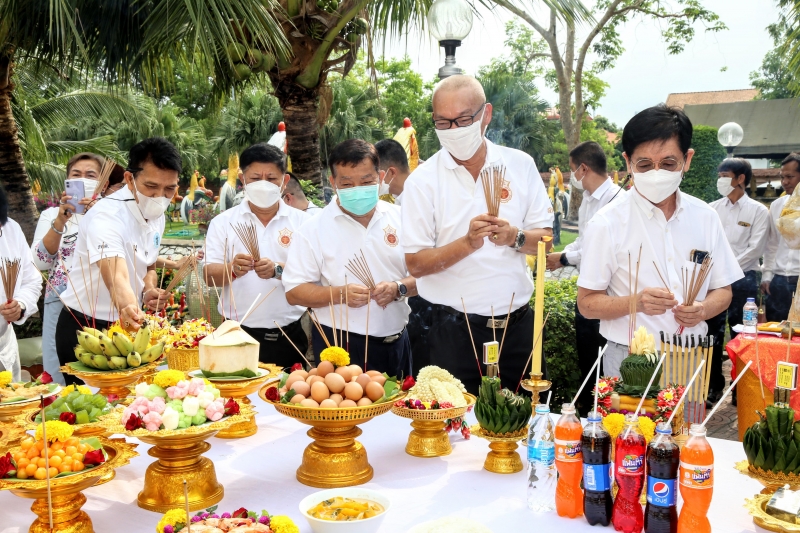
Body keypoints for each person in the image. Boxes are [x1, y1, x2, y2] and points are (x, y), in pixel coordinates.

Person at [401, 75, 554, 394]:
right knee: (451, 427)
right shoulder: (423, 181)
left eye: (464, 119)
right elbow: (415, 264)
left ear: (486, 114)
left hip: (515, 326)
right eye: (443, 122)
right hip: (449, 328)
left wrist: (515, 236)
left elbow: (545, 240)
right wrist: (468, 243)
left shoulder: (519, 165)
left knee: (519, 419)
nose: (454, 130)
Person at [577, 104, 742, 378]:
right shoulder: (607, 222)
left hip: (690, 354)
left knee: (687, 423)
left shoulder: (706, 217)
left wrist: (702, 309)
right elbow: (587, 304)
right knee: (628, 423)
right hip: (628, 358)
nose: (656, 173)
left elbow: (723, 291)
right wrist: (636, 303)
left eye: (668, 163)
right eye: (644, 164)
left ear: (687, 160)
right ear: (628, 162)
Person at [284, 139, 417, 378]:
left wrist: (399, 288)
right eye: (347, 183)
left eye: (366, 181)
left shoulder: (403, 218)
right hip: (341, 345)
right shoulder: (313, 228)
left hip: (398, 340)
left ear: (382, 176)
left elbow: (427, 274)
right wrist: (339, 294)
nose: (357, 189)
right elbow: (294, 291)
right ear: (333, 183)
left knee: (399, 412)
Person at [54, 138, 179, 384]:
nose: (160, 197)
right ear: (130, 179)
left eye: (169, 189)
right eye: (151, 186)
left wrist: (150, 289)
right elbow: (115, 274)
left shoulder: (157, 215)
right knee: (91, 412)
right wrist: (127, 306)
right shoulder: (106, 215)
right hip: (87, 326)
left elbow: (149, 263)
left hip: (129, 322)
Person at [204, 143, 310, 367]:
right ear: (243, 179)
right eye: (255, 178)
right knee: (236, 400)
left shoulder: (304, 223)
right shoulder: (223, 223)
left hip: (287, 336)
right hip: (235, 333)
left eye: (271, 178)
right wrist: (231, 270)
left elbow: (315, 276)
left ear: (284, 180)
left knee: (287, 397)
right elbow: (208, 276)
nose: (263, 184)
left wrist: (278, 270)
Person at [32, 153, 125, 384]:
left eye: (90, 175)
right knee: (58, 370)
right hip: (60, 301)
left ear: (102, 183)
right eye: (76, 174)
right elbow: (41, 261)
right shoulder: (50, 216)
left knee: (106, 372)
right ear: (67, 180)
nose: (82, 179)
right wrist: (60, 222)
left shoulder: (113, 216)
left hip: (102, 304)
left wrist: (96, 214)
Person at [546, 141, 620, 408]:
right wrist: (558, 256)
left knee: (605, 365)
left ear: (584, 168)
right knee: (588, 360)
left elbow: (594, 251)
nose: (571, 177)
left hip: (608, 297)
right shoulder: (589, 201)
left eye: (572, 171)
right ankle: (589, 414)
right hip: (586, 294)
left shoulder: (617, 201)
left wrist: (563, 258)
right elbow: (582, 241)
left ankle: (602, 415)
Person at [707, 158, 769, 402]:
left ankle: (740, 387)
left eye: (725, 175)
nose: (720, 180)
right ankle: (713, 387)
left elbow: (755, 250)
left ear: (740, 178)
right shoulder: (712, 209)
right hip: (714, 281)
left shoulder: (757, 211)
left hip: (744, 281)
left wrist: (727, 270)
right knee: (711, 334)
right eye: (719, 175)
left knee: (741, 335)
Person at [0, 186, 43, 381]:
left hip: (4, 345)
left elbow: (32, 281)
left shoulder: (10, 228)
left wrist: (21, 305)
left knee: (12, 408)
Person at [762, 153, 800, 322]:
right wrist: (767, 275)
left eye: (790, 177)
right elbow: (772, 243)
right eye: (782, 177)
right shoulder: (778, 205)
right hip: (779, 279)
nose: (785, 182)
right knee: (776, 331)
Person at [375, 138, 411, 205]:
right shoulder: (399, 199)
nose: (373, 181)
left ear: (391, 172)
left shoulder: (421, 197)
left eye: (376, 175)